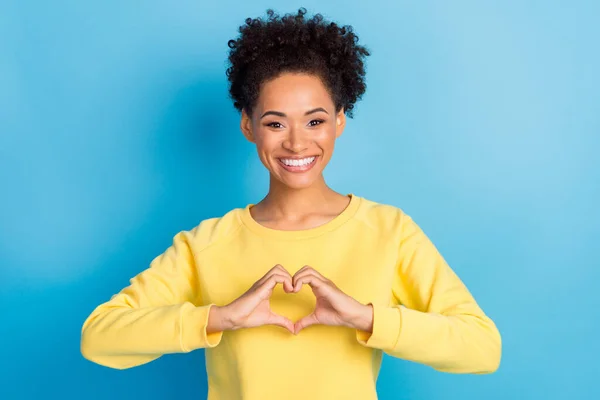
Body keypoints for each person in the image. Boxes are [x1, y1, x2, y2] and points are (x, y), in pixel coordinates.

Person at [80, 8, 501, 399]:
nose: (297, 142)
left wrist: (366, 318)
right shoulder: (206, 243)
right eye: (275, 123)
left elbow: (482, 347)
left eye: (315, 121)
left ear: (339, 121)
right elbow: (99, 337)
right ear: (248, 126)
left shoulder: (388, 231)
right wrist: (220, 318)